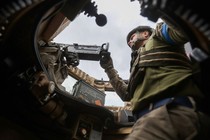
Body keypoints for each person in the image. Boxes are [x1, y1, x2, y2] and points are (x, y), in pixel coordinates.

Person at [99, 17, 210, 139]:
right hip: (148, 120)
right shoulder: (136, 64)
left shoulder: (158, 35)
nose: (130, 42)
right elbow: (126, 95)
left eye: (131, 38)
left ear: (145, 33)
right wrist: (109, 67)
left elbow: (182, 30)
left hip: (170, 113)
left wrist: (166, 15)